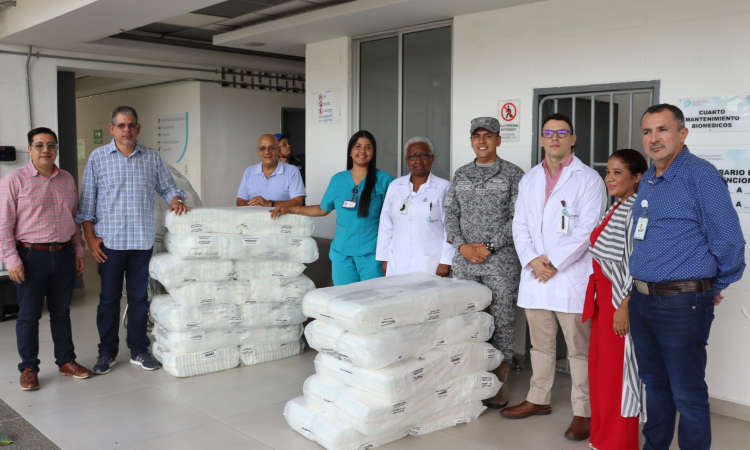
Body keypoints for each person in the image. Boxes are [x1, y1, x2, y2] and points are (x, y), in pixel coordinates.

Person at [628, 104, 745, 450]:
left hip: (681, 302)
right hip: (642, 299)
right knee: (654, 383)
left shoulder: (700, 175)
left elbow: (729, 242)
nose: (654, 138)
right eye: (648, 132)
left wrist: (712, 286)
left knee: (687, 392)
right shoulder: (648, 179)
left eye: (663, 130)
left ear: (683, 133)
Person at [503, 113, 606, 442]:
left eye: (562, 133)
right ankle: (538, 399)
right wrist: (533, 260)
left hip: (570, 277)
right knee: (540, 346)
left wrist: (554, 263)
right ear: (542, 139)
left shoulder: (588, 179)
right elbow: (519, 224)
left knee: (578, 348)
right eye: (549, 133)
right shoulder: (530, 178)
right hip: (536, 275)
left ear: (573, 139)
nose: (555, 138)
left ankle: (583, 410)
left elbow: (587, 230)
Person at [77, 106, 190, 374]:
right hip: (110, 245)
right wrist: (90, 239)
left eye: (131, 125)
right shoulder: (98, 158)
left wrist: (176, 199)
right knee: (108, 301)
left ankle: (139, 350)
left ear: (138, 128)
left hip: (141, 242)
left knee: (140, 299)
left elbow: (169, 187)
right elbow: (86, 206)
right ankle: (107, 353)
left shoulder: (151, 158)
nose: (126, 130)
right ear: (112, 128)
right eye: (121, 125)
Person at [0, 128, 93, 390]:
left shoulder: (67, 179)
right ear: (29, 149)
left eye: (51, 145)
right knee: (28, 316)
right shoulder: (13, 180)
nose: (45, 150)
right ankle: (28, 368)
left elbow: (74, 220)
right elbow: (3, 225)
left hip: (63, 255)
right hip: (30, 257)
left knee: (61, 313)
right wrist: (11, 259)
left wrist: (77, 251)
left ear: (57, 149)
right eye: (39, 145)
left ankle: (66, 361)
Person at [444, 117, 525, 408]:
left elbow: (519, 219)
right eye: (477, 136)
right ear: (471, 140)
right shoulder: (461, 174)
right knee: (465, 322)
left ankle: (498, 384)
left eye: (488, 136)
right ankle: (467, 379)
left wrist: (489, 247)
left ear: (498, 140)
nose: (482, 141)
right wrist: (462, 246)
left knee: (501, 322)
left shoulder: (514, 174)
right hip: (465, 263)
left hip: (500, 264)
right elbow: (450, 214)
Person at [270, 130, 394, 285]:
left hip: (372, 255)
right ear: (350, 151)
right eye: (358, 146)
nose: (362, 151)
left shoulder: (385, 181)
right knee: (344, 300)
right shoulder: (338, 180)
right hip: (342, 255)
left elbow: (395, 220)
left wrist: (388, 257)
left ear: (373, 152)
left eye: (368, 147)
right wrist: (288, 209)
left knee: (373, 300)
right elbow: (322, 209)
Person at [584, 149, 648, 450]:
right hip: (601, 301)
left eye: (618, 172)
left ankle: (619, 443)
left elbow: (639, 263)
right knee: (599, 374)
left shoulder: (637, 210)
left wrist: (624, 305)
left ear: (637, 177)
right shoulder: (615, 207)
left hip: (619, 301)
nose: (609, 177)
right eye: (608, 171)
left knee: (617, 377)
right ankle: (601, 438)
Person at [376, 136, 454, 277]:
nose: (418, 160)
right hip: (398, 260)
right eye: (413, 156)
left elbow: (451, 228)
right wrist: (384, 258)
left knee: (429, 297)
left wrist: (446, 261)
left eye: (423, 155)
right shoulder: (395, 186)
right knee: (398, 297)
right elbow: (386, 224)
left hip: (431, 263)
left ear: (432, 158)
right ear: (407, 160)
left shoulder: (444, 188)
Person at [237, 134, 305, 207]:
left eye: (271, 148)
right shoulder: (249, 171)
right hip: (255, 217)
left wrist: (270, 204)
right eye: (262, 148)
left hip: (281, 218)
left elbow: (298, 202)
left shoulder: (292, 171)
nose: (267, 152)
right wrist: (252, 206)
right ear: (258, 151)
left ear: (278, 150)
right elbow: (240, 201)